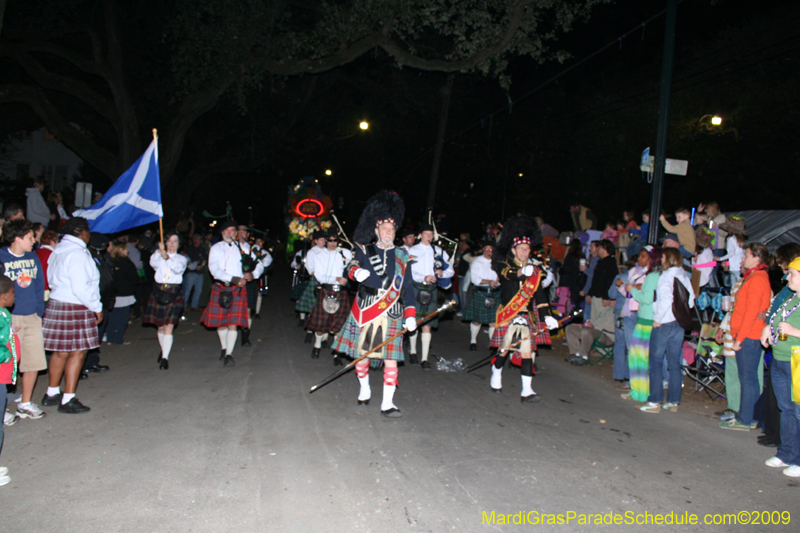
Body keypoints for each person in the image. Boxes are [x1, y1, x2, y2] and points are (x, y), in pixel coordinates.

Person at [330, 190, 417, 417]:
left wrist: (410, 314)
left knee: (392, 358)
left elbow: (408, 288)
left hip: (394, 311)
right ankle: (364, 388)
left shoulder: (402, 256)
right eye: (384, 229)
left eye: (392, 229)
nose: (388, 232)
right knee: (363, 355)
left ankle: (387, 404)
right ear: (376, 230)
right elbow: (350, 267)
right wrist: (355, 272)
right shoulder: (364, 250)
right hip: (366, 307)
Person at [488, 216, 556, 402]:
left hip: (526, 315)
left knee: (527, 351)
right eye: (521, 248)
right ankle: (497, 370)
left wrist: (547, 316)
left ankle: (527, 391)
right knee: (504, 349)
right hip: (508, 312)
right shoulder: (504, 264)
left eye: (527, 249)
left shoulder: (535, 270)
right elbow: (507, 275)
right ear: (513, 249)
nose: (525, 252)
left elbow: (540, 295)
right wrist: (520, 273)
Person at [41, 217, 102, 414]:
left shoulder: (58, 250)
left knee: (60, 351)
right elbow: (81, 287)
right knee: (79, 351)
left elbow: (51, 278)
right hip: (76, 305)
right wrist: (96, 307)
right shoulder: (77, 253)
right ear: (82, 232)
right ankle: (68, 398)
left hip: (58, 302)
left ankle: (51, 393)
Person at [719, 242, 771, 430]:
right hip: (747, 335)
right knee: (748, 378)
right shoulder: (754, 277)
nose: (743, 259)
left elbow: (751, 312)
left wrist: (738, 339)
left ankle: (744, 419)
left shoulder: (757, 279)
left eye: (746, 255)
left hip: (749, 336)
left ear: (757, 258)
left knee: (747, 379)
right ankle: (749, 416)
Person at [0, 220, 47, 420]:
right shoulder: (1, 257)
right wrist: (8, 318)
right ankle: (2, 410)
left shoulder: (33, 257)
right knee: (6, 363)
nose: (34, 242)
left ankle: (25, 403)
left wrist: (39, 309)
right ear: (17, 239)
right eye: (30, 238)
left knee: (33, 361)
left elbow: (39, 284)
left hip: (32, 316)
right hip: (11, 318)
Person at [639, 248, 694, 413]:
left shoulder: (666, 277)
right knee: (674, 363)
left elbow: (666, 300)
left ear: (668, 259)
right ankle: (673, 401)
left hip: (664, 323)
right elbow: (691, 301)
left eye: (663, 257)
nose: (661, 260)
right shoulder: (684, 277)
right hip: (679, 324)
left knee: (655, 362)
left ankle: (655, 401)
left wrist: (657, 318)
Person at [761, 255, 800, 477]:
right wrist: (769, 328)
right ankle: (786, 453)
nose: (787, 277)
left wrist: (795, 332)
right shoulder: (792, 299)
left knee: (798, 411)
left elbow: (793, 328)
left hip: (797, 360)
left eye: (792, 274)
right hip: (781, 358)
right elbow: (777, 318)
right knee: (785, 409)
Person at [201, 221, 259, 367]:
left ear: (236, 233)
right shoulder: (216, 248)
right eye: (226, 230)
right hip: (221, 287)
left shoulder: (244, 248)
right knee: (221, 324)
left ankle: (229, 354)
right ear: (222, 233)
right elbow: (213, 269)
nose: (229, 233)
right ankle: (224, 347)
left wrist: (252, 275)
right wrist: (232, 278)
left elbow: (258, 265)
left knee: (233, 323)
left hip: (238, 290)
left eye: (232, 230)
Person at [408, 224, 455, 369]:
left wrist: (442, 274)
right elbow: (409, 272)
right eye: (426, 234)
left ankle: (424, 359)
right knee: (414, 323)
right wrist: (424, 277)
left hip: (432, 289)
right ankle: (413, 352)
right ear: (420, 235)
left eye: (431, 234)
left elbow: (450, 270)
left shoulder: (439, 251)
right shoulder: (412, 250)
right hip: (417, 287)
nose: (429, 236)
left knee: (427, 325)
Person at [305, 229, 352, 363]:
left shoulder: (345, 253)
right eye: (329, 240)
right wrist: (336, 278)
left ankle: (337, 353)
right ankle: (317, 346)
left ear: (338, 240)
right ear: (325, 240)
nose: (332, 243)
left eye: (335, 240)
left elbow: (353, 268)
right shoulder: (319, 256)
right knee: (321, 324)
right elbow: (319, 276)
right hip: (326, 290)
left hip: (341, 292)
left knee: (339, 325)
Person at [623, 247, 662, 403]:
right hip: (647, 319)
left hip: (646, 320)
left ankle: (640, 392)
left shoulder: (653, 276)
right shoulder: (658, 275)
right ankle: (637, 391)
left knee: (638, 358)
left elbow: (647, 298)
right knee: (638, 357)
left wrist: (632, 290)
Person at [144, 232, 188, 370]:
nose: (172, 244)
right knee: (160, 326)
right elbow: (153, 264)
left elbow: (177, 269)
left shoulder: (181, 259)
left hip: (173, 292)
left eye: (175, 241)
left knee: (169, 325)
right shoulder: (158, 255)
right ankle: (164, 350)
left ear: (179, 244)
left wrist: (167, 258)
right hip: (159, 291)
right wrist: (160, 252)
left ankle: (165, 358)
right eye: (169, 241)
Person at [0, 275, 21, 486]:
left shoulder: (3, 314)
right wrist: (6, 355)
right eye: (13, 292)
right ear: (4, 295)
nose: (15, 296)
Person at [464, 241, 499, 351]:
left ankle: (492, 344)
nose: (489, 252)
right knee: (477, 320)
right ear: (483, 250)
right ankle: (473, 341)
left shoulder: (498, 262)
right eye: (487, 249)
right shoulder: (477, 262)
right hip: (481, 292)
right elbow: (475, 280)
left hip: (495, 293)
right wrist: (489, 282)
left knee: (494, 321)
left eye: (491, 250)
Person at [295, 230, 326, 340]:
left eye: (324, 239)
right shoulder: (312, 252)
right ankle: (309, 331)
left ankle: (324, 337)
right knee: (313, 309)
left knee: (326, 309)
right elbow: (310, 269)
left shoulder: (329, 251)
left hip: (327, 282)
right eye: (322, 239)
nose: (324, 241)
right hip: (316, 281)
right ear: (316, 241)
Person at [105, 242, 139, 345]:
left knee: (112, 317)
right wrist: (133, 287)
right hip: (124, 293)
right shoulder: (126, 262)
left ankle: (110, 338)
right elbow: (133, 277)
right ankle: (119, 339)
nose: (128, 251)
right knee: (122, 317)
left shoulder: (110, 261)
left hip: (113, 293)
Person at [183, 233, 207, 311]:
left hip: (200, 272)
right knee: (188, 290)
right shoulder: (189, 249)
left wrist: (203, 261)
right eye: (198, 239)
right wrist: (195, 263)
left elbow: (205, 258)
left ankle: (194, 305)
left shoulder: (202, 249)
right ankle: (183, 306)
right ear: (194, 240)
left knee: (198, 289)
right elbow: (187, 260)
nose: (199, 241)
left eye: (200, 239)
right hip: (191, 272)